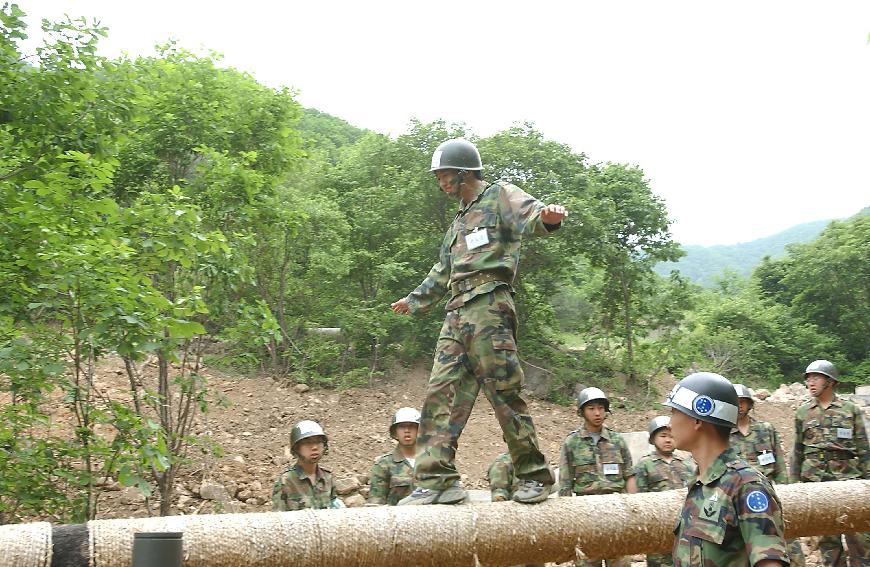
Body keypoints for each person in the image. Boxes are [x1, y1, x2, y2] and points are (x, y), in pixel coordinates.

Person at [390, 138, 567, 505]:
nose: (439, 182)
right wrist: (415, 299)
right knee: (440, 393)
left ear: (464, 173)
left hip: (489, 306)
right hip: (455, 312)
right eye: (437, 176)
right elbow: (443, 270)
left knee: (503, 392)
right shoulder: (457, 222)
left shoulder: (499, 195)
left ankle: (534, 475)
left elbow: (530, 216)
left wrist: (547, 220)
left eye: (443, 174)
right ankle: (437, 479)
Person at [665, 372, 788, 567]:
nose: (669, 424)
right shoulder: (700, 484)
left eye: (674, 413)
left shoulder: (746, 485)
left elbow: (769, 562)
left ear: (697, 420)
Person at [791, 360, 870, 567]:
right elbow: (797, 452)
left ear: (830, 381)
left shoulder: (850, 410)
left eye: (816, 377)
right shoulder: (803, 413)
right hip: (816, 484)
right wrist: (793, 486)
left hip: (848, 482)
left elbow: (864, 450)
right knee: (827, 541)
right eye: (808, 378)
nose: (810, 382)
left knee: (860, 539)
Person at [731, 384, 805, 567]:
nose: (740, 406)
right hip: (738, 498)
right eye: (735, 402)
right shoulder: (722, 434)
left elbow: (779, 463)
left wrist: (785, 492)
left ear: (750, 405)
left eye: (743, 402)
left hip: (770, 493)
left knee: (789, 545)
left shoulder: (766, 429)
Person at [559, 387, 633, 567]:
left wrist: (633, 511)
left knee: (620, 562)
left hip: (617, 513)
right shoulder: (572, 443)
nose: (597, 413)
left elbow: (630, 475)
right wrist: (566, 522)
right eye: (591, 408)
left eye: (601, 408)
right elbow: (565, 483)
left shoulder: (617, 440)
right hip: (586, 515)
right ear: (582, 412)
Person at [627, 416, 696, 567]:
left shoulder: (686, 464)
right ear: (653, 439)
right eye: (663, 436)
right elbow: (639, 501)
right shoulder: (645, 465)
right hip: (657, 530)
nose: (668, 440)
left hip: (684, 529)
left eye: (671, 436)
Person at [271, 420, 344, 511]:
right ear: (297, 448)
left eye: (318, 442)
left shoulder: (327, 478)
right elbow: (279, 519)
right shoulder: (286, 481)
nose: (314, 447)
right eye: (307, 443)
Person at [368, 407, 420, 505]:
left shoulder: (434, 461)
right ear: (395, 432)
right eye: (402, 426)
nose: (407, 430)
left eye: (412, 426)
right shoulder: (383, 464)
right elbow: (375, 504)